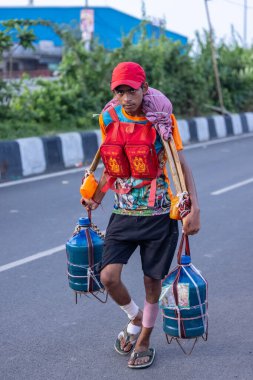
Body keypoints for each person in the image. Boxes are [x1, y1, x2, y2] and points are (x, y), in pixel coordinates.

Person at [81, 62, 200, 369]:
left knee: (152, 281)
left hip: (160, 214)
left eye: (131, 91)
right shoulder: (110, 116)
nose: (125, 98)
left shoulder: (161, 120)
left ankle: (144, 337)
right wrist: (97, 194)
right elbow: (112, 159)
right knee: (108, 276)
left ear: (144, 89)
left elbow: (180, 164)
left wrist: (194, 208)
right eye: (119, 91)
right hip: (123, 211)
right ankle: (135, 315)